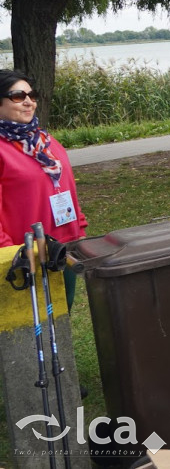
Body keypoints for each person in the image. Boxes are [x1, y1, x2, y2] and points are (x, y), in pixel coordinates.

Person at [0, 70, 87, 309]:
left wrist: (78, 227)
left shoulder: (45, 141)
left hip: (63, 247)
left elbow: (65, 187)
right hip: (26, 255)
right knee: (30, 333)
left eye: (32, 95)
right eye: (18, 96)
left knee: (61, 321)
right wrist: (9, 254)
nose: (29, 102)